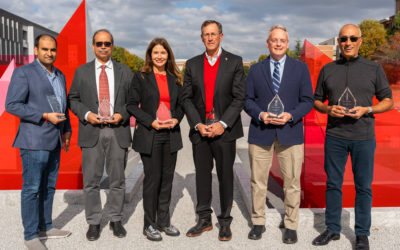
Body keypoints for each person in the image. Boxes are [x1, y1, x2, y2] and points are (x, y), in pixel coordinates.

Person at [312, 24, 393, 250]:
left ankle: (362, 234)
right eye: (344, 39)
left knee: (363, 187)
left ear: (360, 41)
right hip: (335, 136)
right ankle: (332, 229)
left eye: (352, 38)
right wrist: (328, 109)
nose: (348, 42)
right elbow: (316, 100)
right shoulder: (328, 70)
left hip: (363, 137)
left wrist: (367, 109)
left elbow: (388, 100)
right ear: (338, 42)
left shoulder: (373, 69)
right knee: (333, 184)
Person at [244, 25, 314, 244]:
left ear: (286, 43)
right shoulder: (256, 69)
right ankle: (258, 222)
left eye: (282, 40)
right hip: (261, 132)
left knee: (292, 182)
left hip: (290, 132)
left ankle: (291, 224)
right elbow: (247, 100)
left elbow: (308, 101)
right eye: (274, 40)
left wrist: (291, 115)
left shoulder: (300, 69)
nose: (278, 43)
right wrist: (261, 114)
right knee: (258, 181)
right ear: (267, 43)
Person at [180, 20, 246, 241]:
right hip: (201, 131)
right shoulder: (192, 64)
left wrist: (222, 124)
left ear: (221, 36)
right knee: (202, 176)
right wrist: (198, 124)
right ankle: (204, 219)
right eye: (206, 34)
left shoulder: (235, 62)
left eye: (213, 34)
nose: (209, 38)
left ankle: (225, 221)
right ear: (201, 38)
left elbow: (239, 98)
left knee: (225, 176)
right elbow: (186, 98)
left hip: (225, 131)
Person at [5, 34, 72, 250]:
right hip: (34, 141)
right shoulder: (23, 73)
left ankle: (46, 227)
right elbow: (12, 105)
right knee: (32, 188)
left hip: (55, 140)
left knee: (49, 187)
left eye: (53, 50)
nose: (49, 53)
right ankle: (31, 235)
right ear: (35, 50)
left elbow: (63, 105)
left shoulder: (60, 75)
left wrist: (67, 130)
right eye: (45, 49)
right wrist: (43, 115)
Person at [68, 29, 133, 241]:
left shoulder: (125, 71)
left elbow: (133, 101)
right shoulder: (82, 71)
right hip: (91, 131)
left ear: (112, 45)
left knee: (117, 179)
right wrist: (87, 114)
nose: (103, 46)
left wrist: (121, 115)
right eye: (99, 43)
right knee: (91, 181)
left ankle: (115, 219)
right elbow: (73, 99)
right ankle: (94, 222)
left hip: (117, 130)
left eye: (107, 43)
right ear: (93, 46)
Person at [126, 38, 184, 241]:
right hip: (150, 134)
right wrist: (151, 122)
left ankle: (164, 221)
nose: (159, 56)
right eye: (156, 52)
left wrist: (176, 118)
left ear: (168, 55)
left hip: (171, 134)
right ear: (150, 55)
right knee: (152, 180)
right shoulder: (141, 77)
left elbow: (182, 104)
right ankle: (149, 224)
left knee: (167, 180)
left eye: (163, 52)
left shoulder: (175, 77)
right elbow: (132, 105)